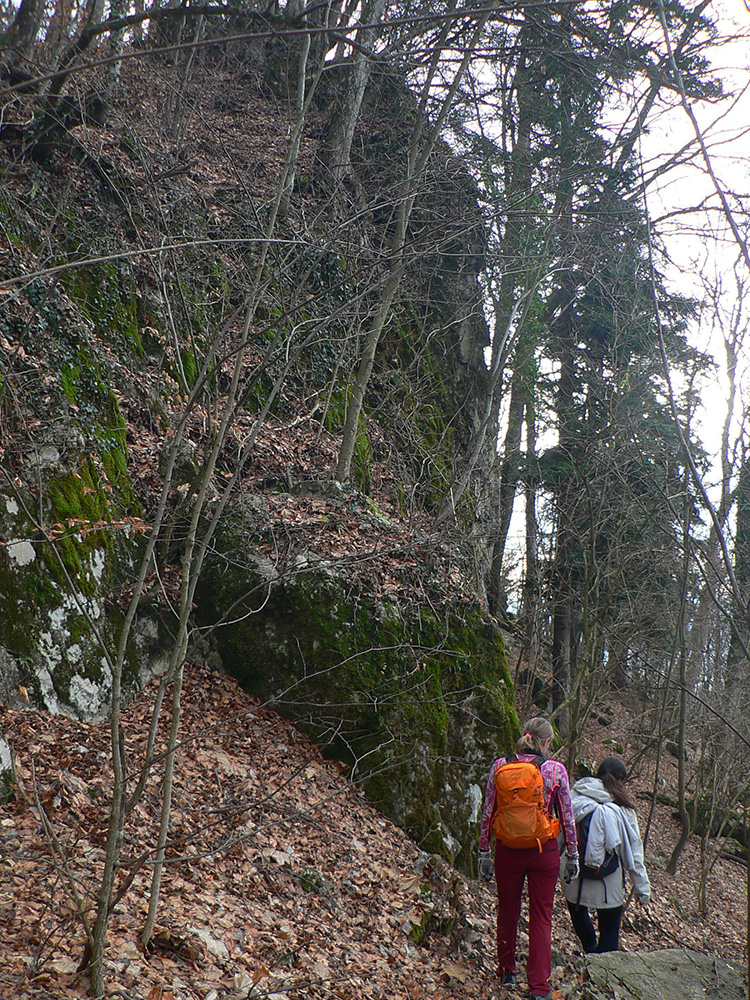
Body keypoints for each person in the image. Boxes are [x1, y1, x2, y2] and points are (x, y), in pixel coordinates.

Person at [477, 718, 578, 1000]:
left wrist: (483, 850)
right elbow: (567, 818)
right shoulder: (555, 770)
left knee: (507, 910)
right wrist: (573, 854)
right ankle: (539, 987)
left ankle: (506, 970)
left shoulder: (500, 766)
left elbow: (488, 810)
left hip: (507, 849)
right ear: (545, 743)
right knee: (541, 916)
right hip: (543, 851)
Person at [560, 755, 650, 953]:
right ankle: (604, 966)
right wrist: (642, 889)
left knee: (577, 911)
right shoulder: (624, 809)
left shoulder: (575, 796)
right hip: (609, 883)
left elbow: (559, 835)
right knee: (609, 931)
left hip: (575, 878)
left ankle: (590, 951)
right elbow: (634, 854)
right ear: (620, 780)